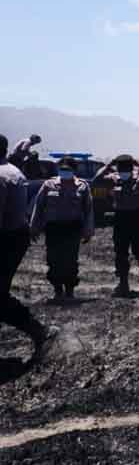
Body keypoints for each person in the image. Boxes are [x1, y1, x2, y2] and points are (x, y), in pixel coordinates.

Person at [0, 133, 60, 360]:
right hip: (15, 237)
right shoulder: (13, 172)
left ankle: (41, 332)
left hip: (6, 238)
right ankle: (40, 332)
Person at [30, 156, 95, 299]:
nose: (64, 171)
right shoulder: (48, 184)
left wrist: (88, 230)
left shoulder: (82, 186)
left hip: (72, 228)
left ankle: (70, 289)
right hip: (54, 228)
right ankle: (57, 289)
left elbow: (88, 209)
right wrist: (34, 227)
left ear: (74, 170)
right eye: (62, 169)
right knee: (53, 259)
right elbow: (38, 206)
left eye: (67, 169)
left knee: (70, 259)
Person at [95, 155, 139, 296]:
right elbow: (97, 179)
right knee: (120, 252)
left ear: (131, 168)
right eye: (120, 168)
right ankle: (123, 283)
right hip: (120, 218)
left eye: (126, 168)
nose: (123, 170)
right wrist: (108, 165)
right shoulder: (114, 178)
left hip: (138, 218)